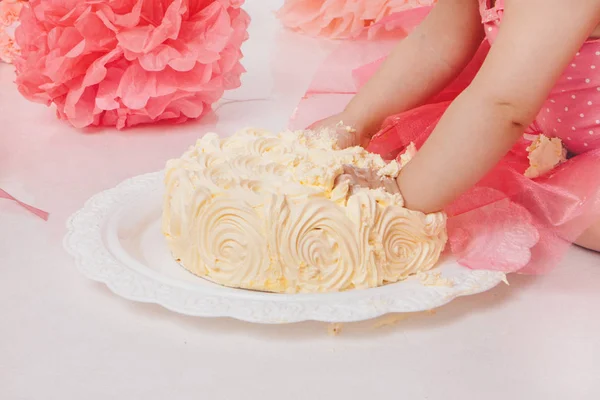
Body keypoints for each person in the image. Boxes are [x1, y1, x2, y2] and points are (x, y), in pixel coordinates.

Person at [309, 0, 600, 271]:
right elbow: (436, 41)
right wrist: (355, 122)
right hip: (534, 119)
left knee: (579, 212)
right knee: (456, 150)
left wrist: (399, 202)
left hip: (517, 105)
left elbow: (503, 104)